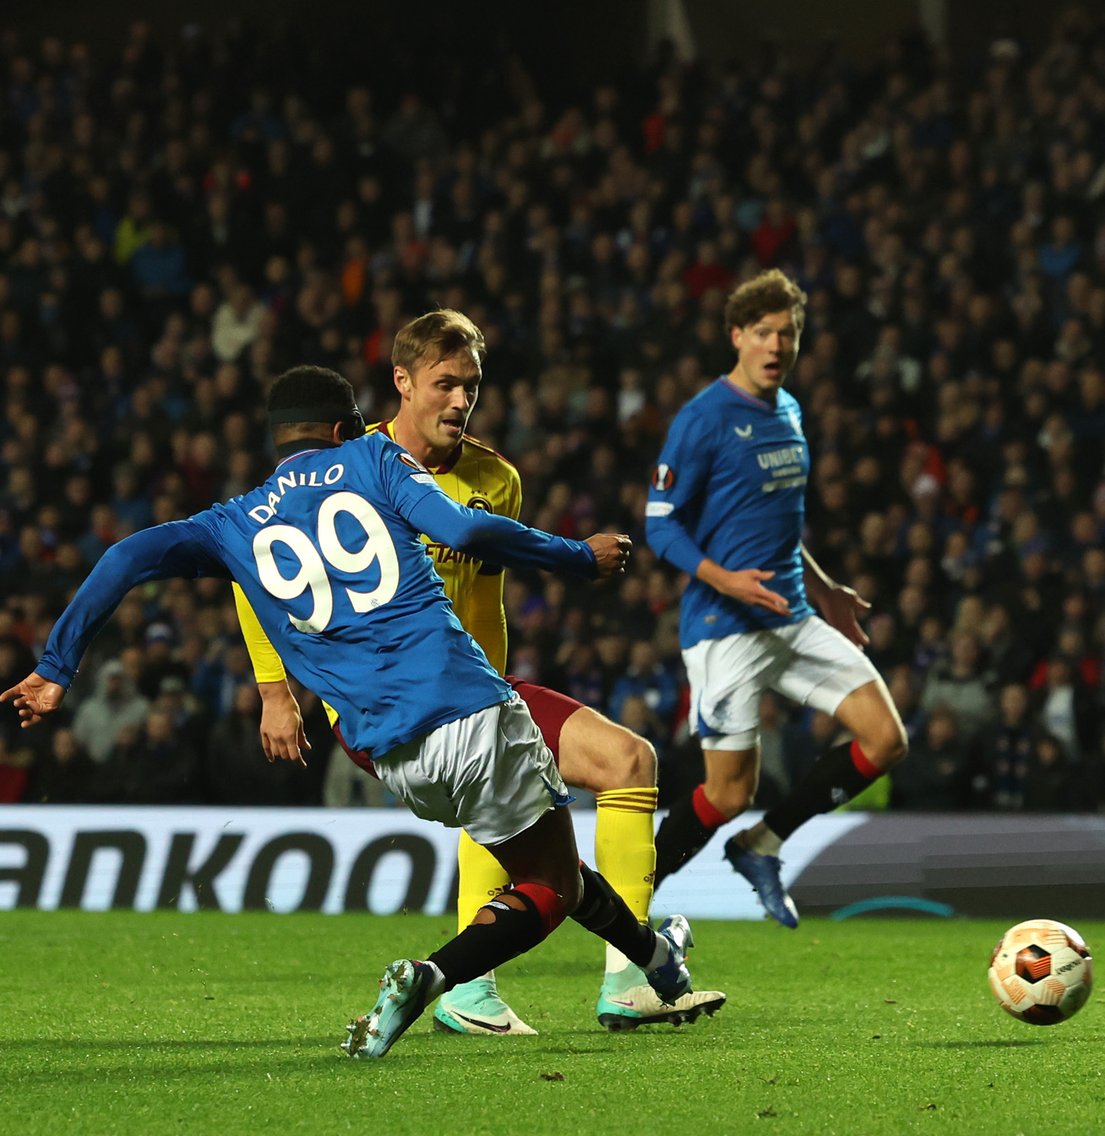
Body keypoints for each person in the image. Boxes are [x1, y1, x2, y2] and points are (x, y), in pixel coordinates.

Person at [1, 364, 697, 1060]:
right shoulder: (371, 456)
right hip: (466, 705)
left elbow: (124, 556)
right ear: (345, 429)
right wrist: (578, 556)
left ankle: (655, 962)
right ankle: (437, 978)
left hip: (391, 756)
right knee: (551, 881)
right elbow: (465, 527)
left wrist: (57, 666)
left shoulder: (232, 521)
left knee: (549, 865)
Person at [235, 311, 725, 1032]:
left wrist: (494, 697)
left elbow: (486, 597)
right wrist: (275, 692)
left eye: (471, 385)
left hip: (470, 690)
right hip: (380, 708)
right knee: (587, 793)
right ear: (400, 383)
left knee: (613, 767)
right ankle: (623, 978)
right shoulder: (346, 465)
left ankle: (477, 990)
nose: (460, 401)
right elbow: (252, 573)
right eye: (443, 384)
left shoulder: (494, 479)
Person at [645, 269, 909, 926]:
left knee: (884, 740)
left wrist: (824, 590)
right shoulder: (702, 419)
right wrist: (723, 578)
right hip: (724, 624)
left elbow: (779, 524)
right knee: (728, 792)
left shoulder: (787, 410)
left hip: (790, 614)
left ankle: (762, 845)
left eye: (787, 334)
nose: (775, 345)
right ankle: (626, 895)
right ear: (736, 336)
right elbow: (657, 523)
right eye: (762, 332)